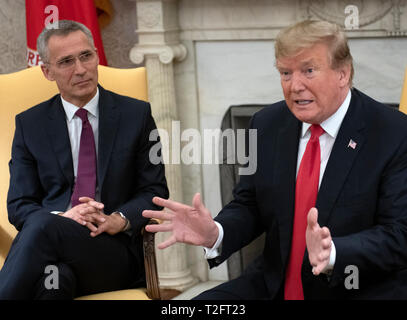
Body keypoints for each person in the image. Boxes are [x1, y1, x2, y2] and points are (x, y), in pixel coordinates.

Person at [143, 20, 407, 299]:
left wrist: (335, 252)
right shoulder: (266, 124)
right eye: (285, 72)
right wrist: (216, 233)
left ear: (343, 73)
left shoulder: (392, 132)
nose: (295, 86)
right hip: (274, 285)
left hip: (355, 286)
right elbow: (249, 205)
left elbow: (399, 233)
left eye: (308, 70)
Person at [0, 20, 168, 299]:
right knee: (53, 283)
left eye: (86, 56)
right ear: (47, 71)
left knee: (42, 225)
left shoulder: (135, 115)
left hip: (112, 254)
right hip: (56, 258)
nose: (80, 69)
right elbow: (19, 205)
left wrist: (118, 219)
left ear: (96, 56)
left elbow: (155, 190)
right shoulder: (30, 124)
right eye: (66, 61)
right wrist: (63, 218)